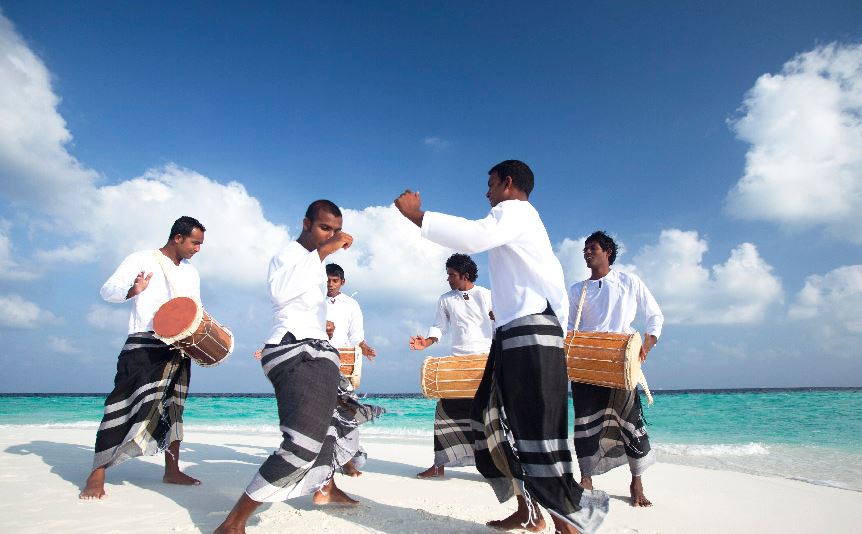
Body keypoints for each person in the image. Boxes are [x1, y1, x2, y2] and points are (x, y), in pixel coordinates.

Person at [395, 161, 608, 534]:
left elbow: (474, 237)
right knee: (493, 420)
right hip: (513, 335)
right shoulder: (513, 222)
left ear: (508, 183)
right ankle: (529, 510)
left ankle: (568, 523)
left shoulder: (517, 211)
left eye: (490, 184)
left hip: (532, 332)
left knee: (535, 430)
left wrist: (418, 216)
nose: (486, 192)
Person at [214, 200, 380, 534]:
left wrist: (324, 327)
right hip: (294, 351)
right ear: (306, 223)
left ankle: (326, 487)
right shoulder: (289, 255)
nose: (330, 236)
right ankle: (233, 523)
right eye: (324, 228)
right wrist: (325, 251)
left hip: (318, 350)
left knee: (338, 422)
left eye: (335, 230)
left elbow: (302, 307)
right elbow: (280, 293)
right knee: (302, 443)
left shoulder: (316, 266)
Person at [79, 216, 206, 500]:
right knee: (121, 405)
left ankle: (172, 470)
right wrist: (132, 291)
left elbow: (195, 308)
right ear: (178, 238)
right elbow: (107, 290)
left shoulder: (191, 273)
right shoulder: (141, 259)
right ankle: (97, 473)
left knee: (173, 410)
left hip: (178, 346)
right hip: (143, 343)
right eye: (195, 243)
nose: (198, 249)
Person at [567, 231, 663, 507]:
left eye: (592, 248)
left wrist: (647, 344)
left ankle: (636, 480)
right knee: (585, 421)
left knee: (630, 421)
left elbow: (654, 314)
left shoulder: (628, 281)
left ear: (607, 251)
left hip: (620, 362)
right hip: (586, 362)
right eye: (584, 249)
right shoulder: (578, 289)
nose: (587, 252)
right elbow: (570, 329)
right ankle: (586, 477)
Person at [409, 253, 492, 479]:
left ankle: (496, 468)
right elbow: (439, 327)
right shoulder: (446, 299)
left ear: (465, 275)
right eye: (448, 274)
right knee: (444, 413)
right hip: (457, 364)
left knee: (489, 417)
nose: (448, 279)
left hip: (484, 362)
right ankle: (439, 465)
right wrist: (425, 342)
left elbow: (500, 325)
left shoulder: (486, 295)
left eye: (452, 275)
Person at [325, 262, 377, 477]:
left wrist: (364, 348)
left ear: (342, 282)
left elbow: (356, 336)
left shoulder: (351, 304)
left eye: (334, 280)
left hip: (343, 363)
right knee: (321, 412)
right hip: (319, 360)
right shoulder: (312, 303)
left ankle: (346, 459)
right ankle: (326, 458)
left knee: (346, 412)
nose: (330, 284)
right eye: (327, 280)